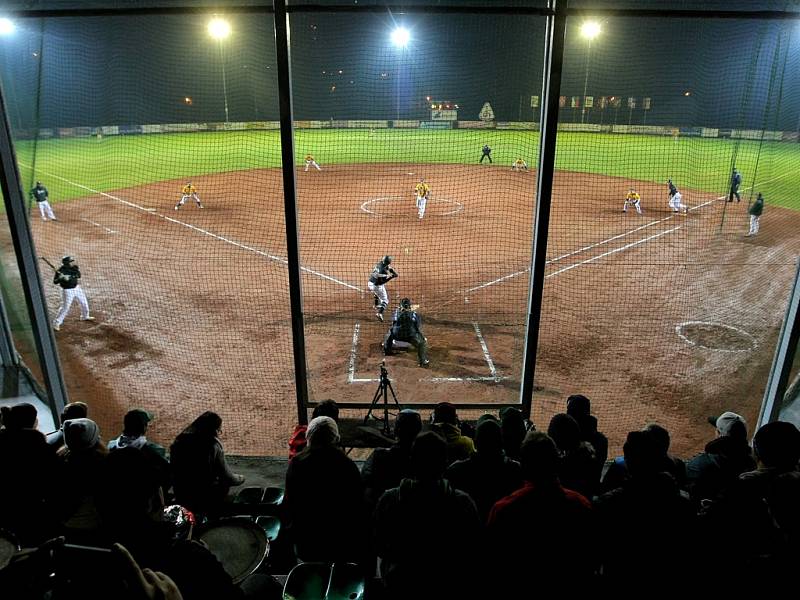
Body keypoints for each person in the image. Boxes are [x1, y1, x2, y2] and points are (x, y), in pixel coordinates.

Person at [169, 411, 245, 518]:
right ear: (214, 429)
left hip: (181, 493)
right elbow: (227, 477)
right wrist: (241, 478)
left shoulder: (179, 441)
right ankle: (212, 512)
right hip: (204, 495)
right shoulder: (213, 446)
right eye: (219, 429)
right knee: (223, 484)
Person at [383, 298, 429, 367]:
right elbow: (417, 328)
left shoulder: (396, 313)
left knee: (390, 331)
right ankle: (423, 361)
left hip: (397, 337)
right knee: (422, 343)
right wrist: (422, 338)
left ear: (401, 306)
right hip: (410, 338)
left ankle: (387, 351)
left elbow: (393, 323)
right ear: (409, 306)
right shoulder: (415, 314)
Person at [52, 255, 95, 332]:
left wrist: (70, 277)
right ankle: (57, 323)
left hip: (77, 288)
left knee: (84, 302)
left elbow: (78, 275)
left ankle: (85, 316)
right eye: (71, 261)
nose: (72, 262)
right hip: (67, 291)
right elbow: (55, 282)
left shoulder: (74, 267)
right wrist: (60, 278)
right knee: (66, 307)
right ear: (66, 263)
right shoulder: (60, 271)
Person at [368, 255, 397, 322]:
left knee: (377, 292)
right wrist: (391, 277)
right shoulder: (383, 271)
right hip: (376, 285)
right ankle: (379, 313)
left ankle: (376, 305)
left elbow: (389, 267)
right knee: (385, 300)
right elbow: (382, 282)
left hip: (370, 282)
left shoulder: (381, 263)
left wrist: (394, 273)